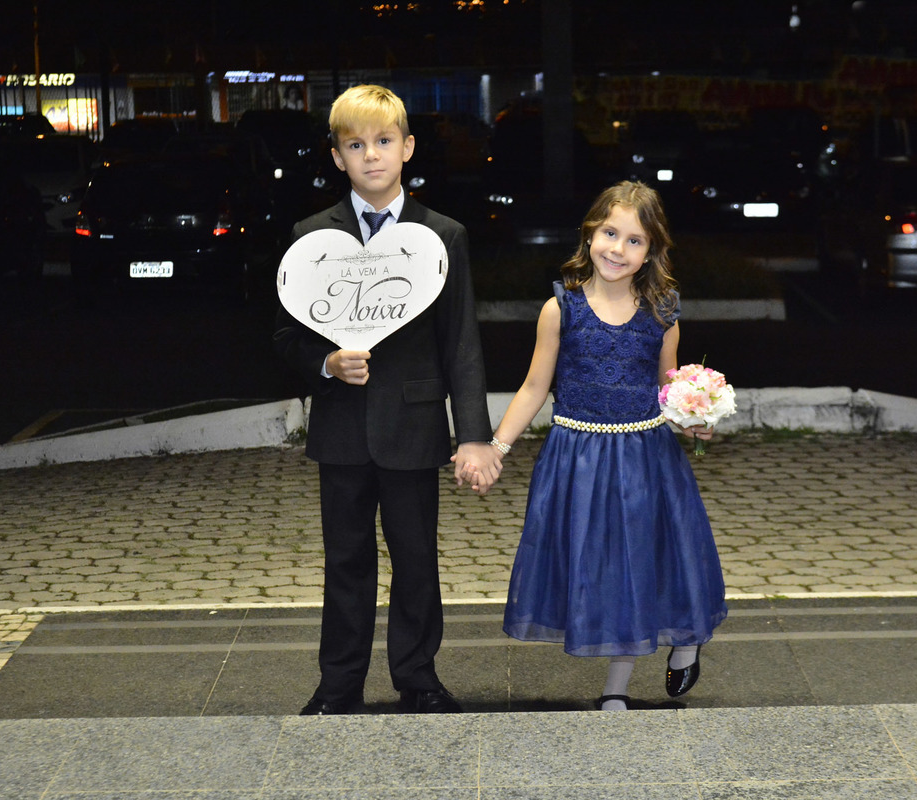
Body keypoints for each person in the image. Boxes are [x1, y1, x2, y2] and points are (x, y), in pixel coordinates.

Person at [273, 84, 501, 716]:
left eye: (382, 142)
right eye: (355, 145)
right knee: (345, 563)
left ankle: (418, 678)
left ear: (407, 149)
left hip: (414, 425)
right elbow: (285, 334)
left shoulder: (442, 235)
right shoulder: (311, 236)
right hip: (343, 430)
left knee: (416, 560)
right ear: (337, 157)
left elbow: (462, 344)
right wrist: (324, 361)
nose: (370, 156)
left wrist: (474, 434)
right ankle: (338, 684)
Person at [482, 180, 727, 710]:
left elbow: (669, 387)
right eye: (610, 233)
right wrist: (496, 448)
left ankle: (680, 646)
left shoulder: (662, 312)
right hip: (579, 462)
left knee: (647, 562)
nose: (618, 249)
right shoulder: (560, 309)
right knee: (610, 572)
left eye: (634, 240)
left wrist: (694, 419)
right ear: (590, 232)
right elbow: (533, 388)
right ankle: (617, 689)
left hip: (646, 460)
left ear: (650, 251)